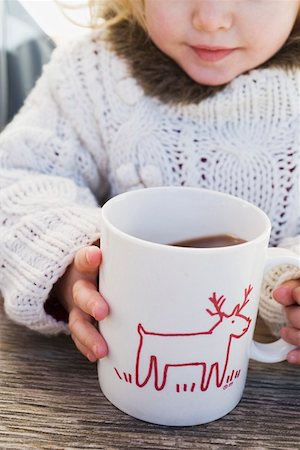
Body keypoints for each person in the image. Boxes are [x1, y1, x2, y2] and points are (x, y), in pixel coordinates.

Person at [0, 0, 299, 365]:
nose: (211, 20)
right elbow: (18, 177)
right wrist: (70, 262)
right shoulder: (93, 74)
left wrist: (284, 285)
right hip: (105, 374)